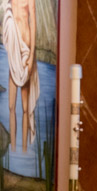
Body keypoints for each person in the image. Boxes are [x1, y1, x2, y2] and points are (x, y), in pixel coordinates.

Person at [3, 0, 39, 153]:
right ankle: (12, 149)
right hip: (14, 50)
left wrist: (31, 55)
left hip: (25, 50)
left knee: (25, 108)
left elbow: (33, 23)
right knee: (11, 106)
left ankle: (24, 149)